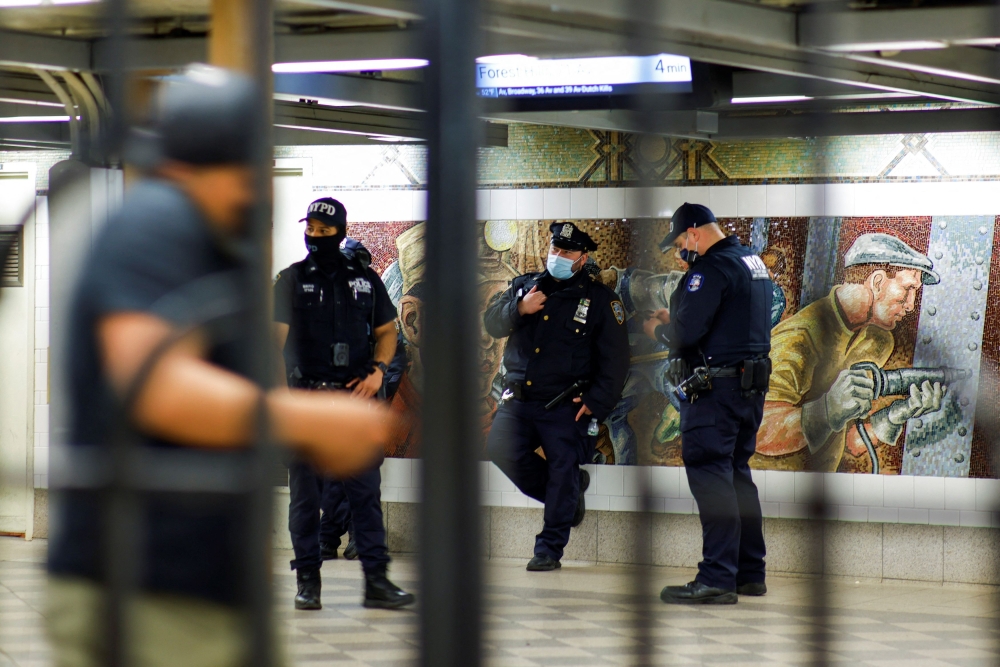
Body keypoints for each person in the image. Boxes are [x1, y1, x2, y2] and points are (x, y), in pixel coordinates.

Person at [46, 65, 392, 667]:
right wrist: (308, 420)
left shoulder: (196, 236)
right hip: (151, 589)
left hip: (189, 580)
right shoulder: (158, 225)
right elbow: (149, 381)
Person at [273, 197, 414, 610]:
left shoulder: (366, 280)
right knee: (306, 498)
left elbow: (387, 332)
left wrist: (377, 371)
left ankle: (376, 581)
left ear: (340, 230)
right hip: (308, 404)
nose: (315, 235)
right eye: (310, 229)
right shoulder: (290, 280)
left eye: (323, 229)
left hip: (355, 403)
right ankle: (308, 581)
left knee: (365, 494)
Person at [642, 203, 772, 605]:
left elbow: (687, 333)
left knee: (711, 476)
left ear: (694, 233)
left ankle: (716, 576)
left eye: (682, 242)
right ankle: (749, 573)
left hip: (715, 393)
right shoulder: (752, 262)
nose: (683, 250)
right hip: (749, 388)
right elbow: (729, 318)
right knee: (736, 476)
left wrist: (661, 327)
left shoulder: (708, 270)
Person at [485, 222, 629, 572]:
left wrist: (598, 402)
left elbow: (617, 360)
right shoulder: (525, 286)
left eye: (566, 252)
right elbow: (492, 323)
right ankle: (568, 495)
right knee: (499, 450)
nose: (558, 256)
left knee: (563, 469)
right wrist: (519, 309)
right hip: (518, 401)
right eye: (555, 249)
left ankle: (549, 548)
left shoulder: (600, 300)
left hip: (566, 405)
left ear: (583, 257)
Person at [753, 233, 946, 473]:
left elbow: (848, 441)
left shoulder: (877, 341)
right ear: (876, 282)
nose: (910, 304)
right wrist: (827, 410)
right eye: (908, 289)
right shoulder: (799, 336)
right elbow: (758, 429)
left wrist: (896, 415)